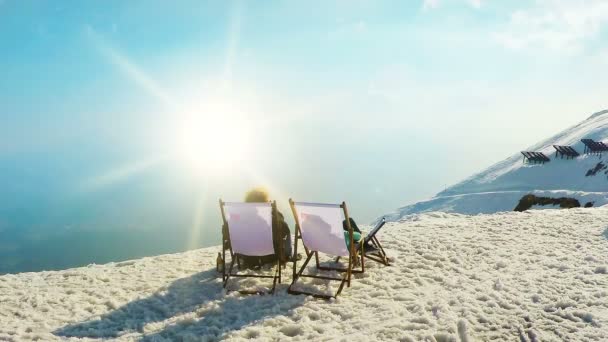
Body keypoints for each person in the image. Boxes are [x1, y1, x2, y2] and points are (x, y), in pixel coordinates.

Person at [240, 187, 293, 268]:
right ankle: (287, 255)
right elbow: (283, 230)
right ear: (264, 201)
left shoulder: (241, 216)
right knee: (286, 230)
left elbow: (227, 233)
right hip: (268, 255)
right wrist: (274, 211)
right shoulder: (268, 217)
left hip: (246, 255)